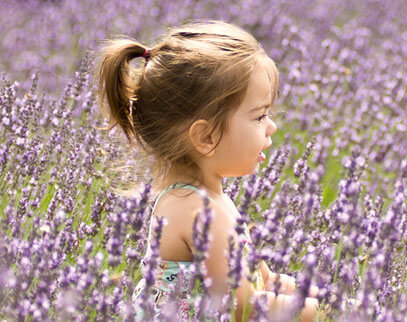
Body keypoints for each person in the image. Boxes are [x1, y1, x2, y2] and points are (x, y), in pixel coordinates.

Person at [96, 20, 320, 320]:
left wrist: (275, 284)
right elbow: (240, 307)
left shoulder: (206, 201)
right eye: (259, 116)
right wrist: (306, 310)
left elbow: (243, 281)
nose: (272, 127)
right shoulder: (200, 212)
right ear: (206, 137)